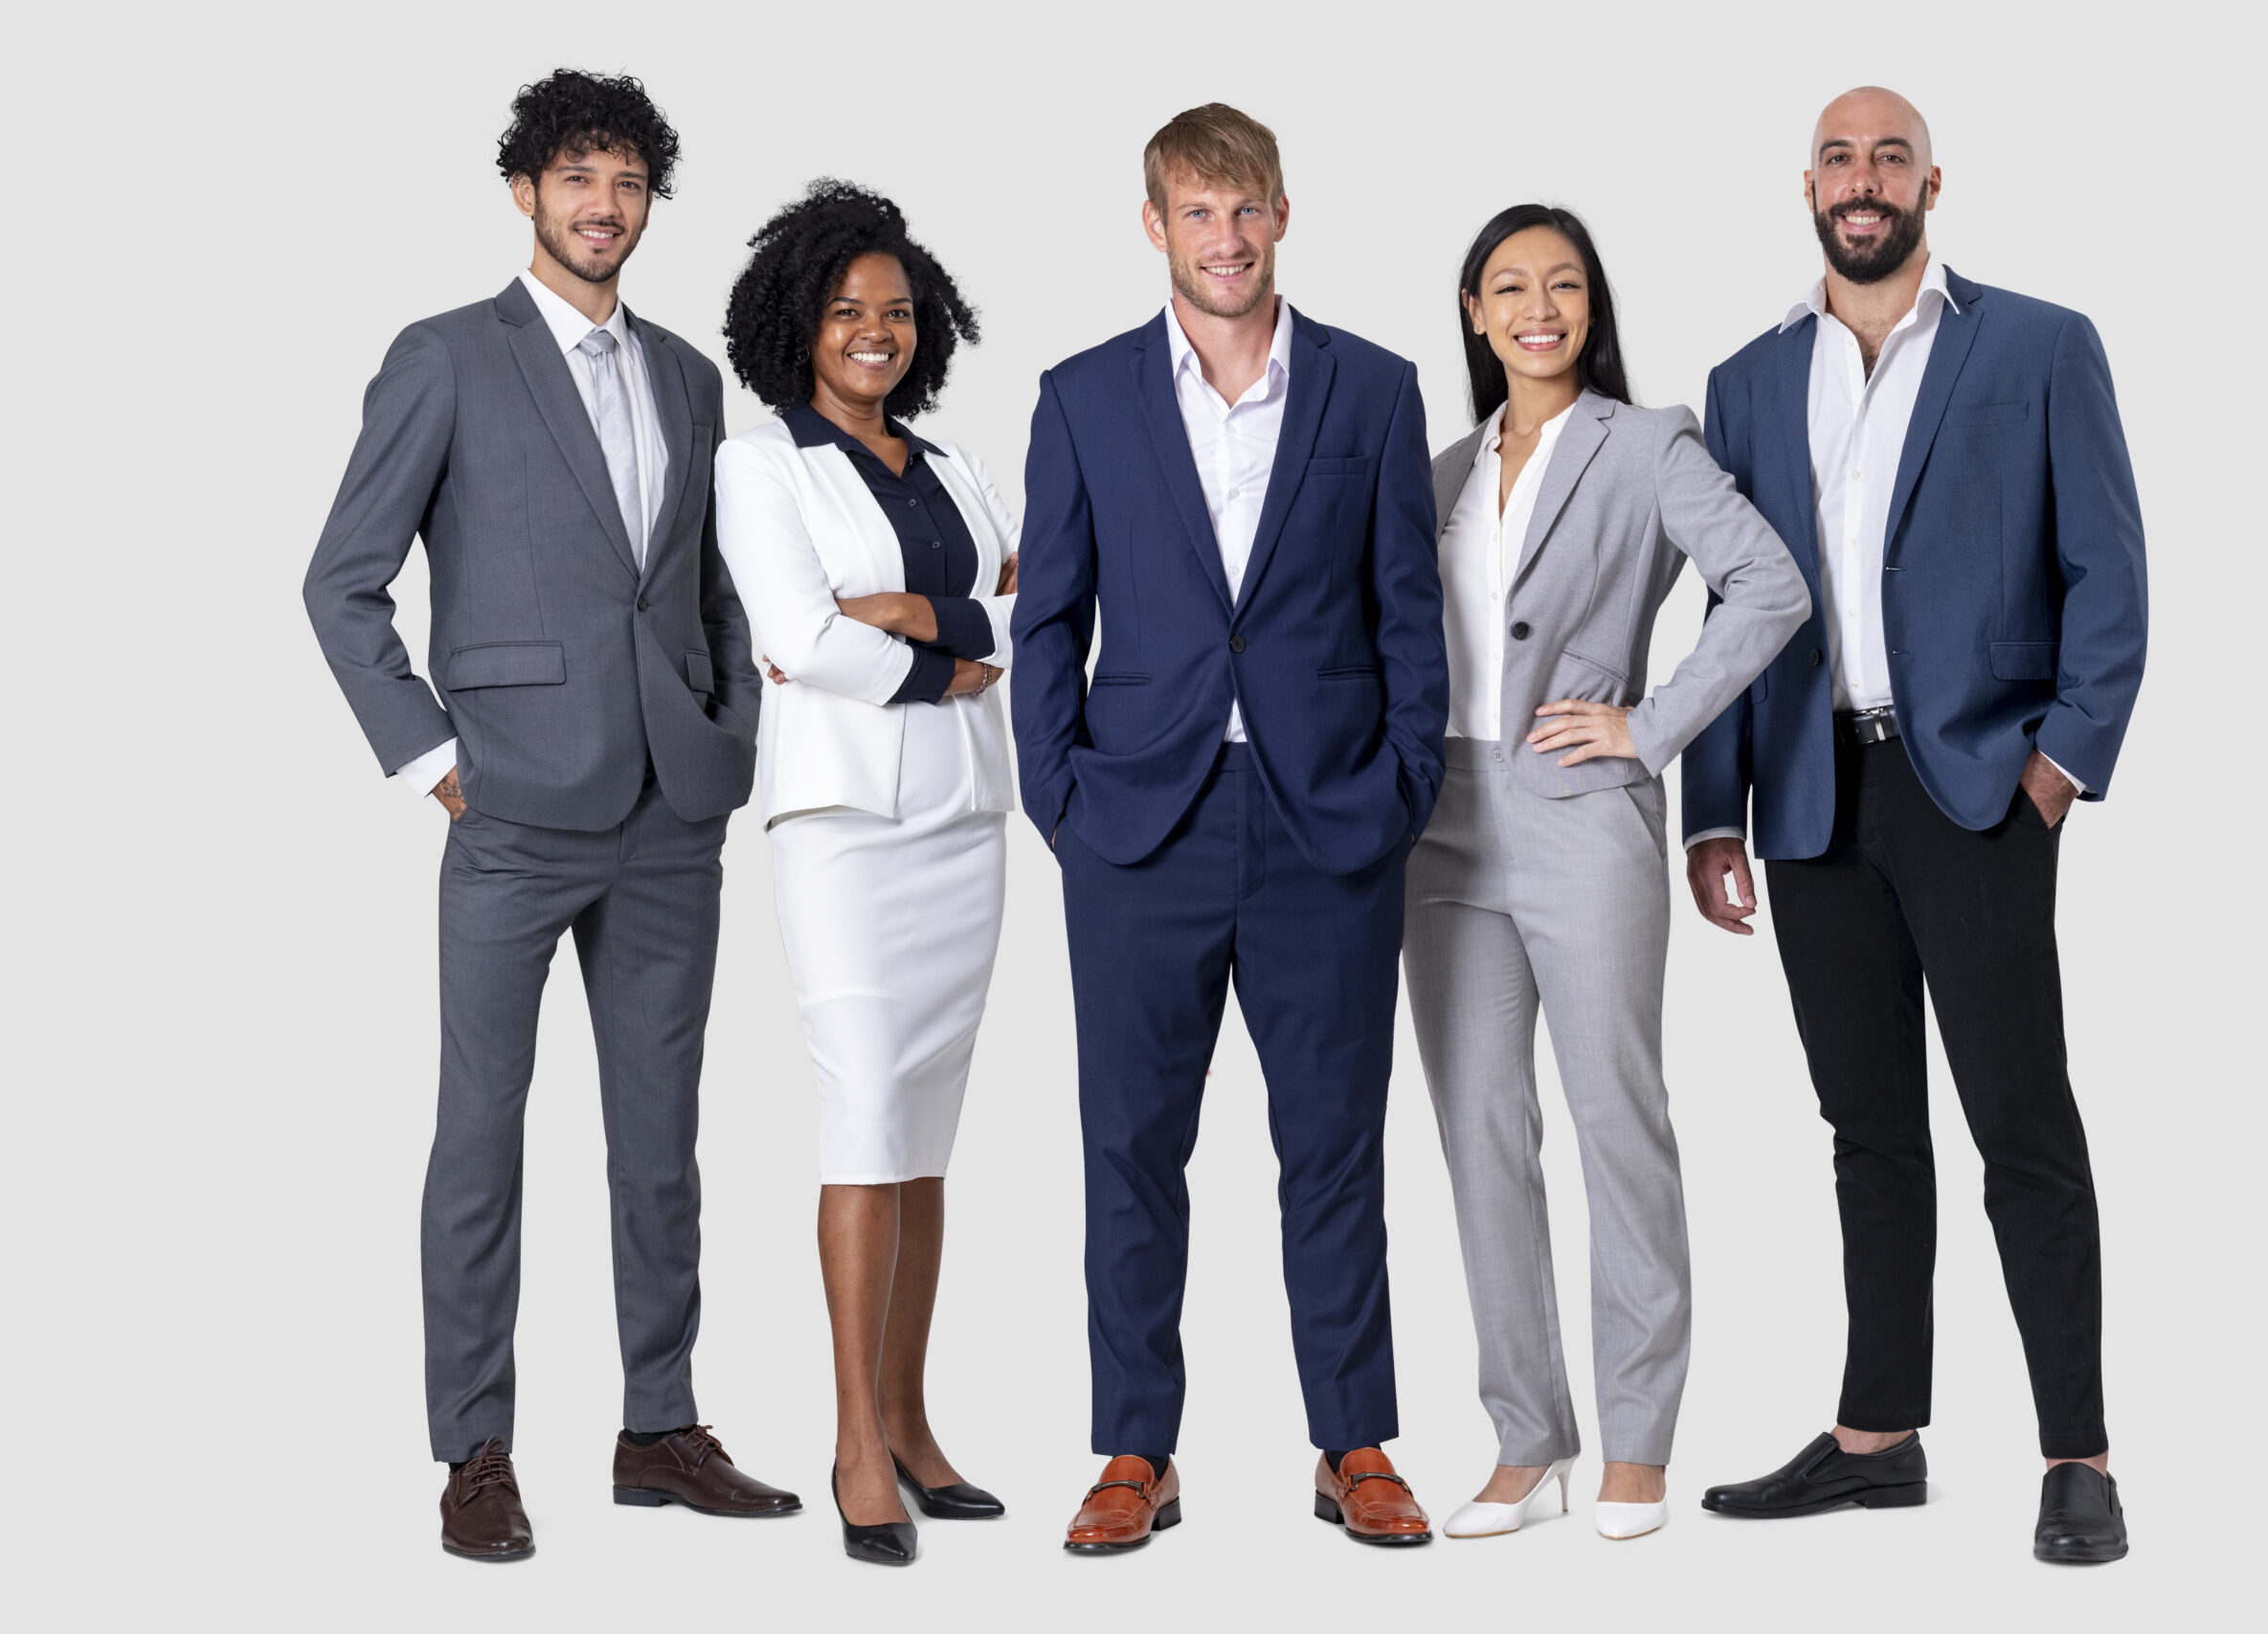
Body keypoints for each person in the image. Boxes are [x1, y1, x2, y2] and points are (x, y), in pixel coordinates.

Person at [302, 70, 799, 1563]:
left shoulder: (692, 378)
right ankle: (476, 1450)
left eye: (631, 182)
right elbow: (341, 581)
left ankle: (659, 1424)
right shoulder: (447, 357)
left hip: (669, 816)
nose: (605, 206)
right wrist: (426, 760)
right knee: (481, 1138)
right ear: (525, 191)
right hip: (511, 810)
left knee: (662, 1141)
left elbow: (704, 587)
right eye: (579, 177)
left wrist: (730, 731)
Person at [1681, 87, 2147, 1564]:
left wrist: (2060, 766)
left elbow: (2111, 576)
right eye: (1838, 156)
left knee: (2022, 1123)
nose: (1863, 180)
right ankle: (1878, 1436)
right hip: (1815, 798)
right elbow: (1726, 611)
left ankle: (2078, 1453)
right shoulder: (1747, 381)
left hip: (1977, 792)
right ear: (1806, 185)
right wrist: (1714, 808)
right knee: (1864, 1127)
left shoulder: (2038, 346)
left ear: (1931, 182)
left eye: (1889, 156)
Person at [1010, 103, 1448, 1553]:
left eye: (1247, 207)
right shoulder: (1082, 398)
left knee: (1333, 1145)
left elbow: (1407, 616)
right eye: (1198, 212)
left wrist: (1397, 795)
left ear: (1282, 213)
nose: (1227, 237)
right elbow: (1049, 619)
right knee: (1130, 1147)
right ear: (1156, 227)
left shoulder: (1375, 392)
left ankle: (1354, 1441)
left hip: (1330, 823)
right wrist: (1062, 799)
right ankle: (1137, 1448)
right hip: (1139, 824)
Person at [1410, 206, 1808, 1545]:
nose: (1539, 307)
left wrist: (1650, 725)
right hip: (1445, 826)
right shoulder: (1445, 469)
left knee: (1613, 1122)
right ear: (1474, 310)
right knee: (1478, 1132)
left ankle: (1638, 1439)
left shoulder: (1646, 445)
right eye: (1511, 287)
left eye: (1564, 285)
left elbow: (1767, 585)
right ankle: (1529, 1438)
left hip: (1582, 815)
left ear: (1593, 306)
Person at [714, 181, 1015, 1568]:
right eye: (848, 313)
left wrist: (929, 616)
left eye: (897, 313)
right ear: (801, 323)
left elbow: (1033, 599)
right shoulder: (759, 464)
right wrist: (949, 659)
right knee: (862, 1113)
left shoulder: (950, 467)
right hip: (842, 827)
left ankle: (911, 1416)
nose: (876, 334)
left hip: (963, 822)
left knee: (929, 1131)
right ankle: (850, 1441)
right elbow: (796, 635)